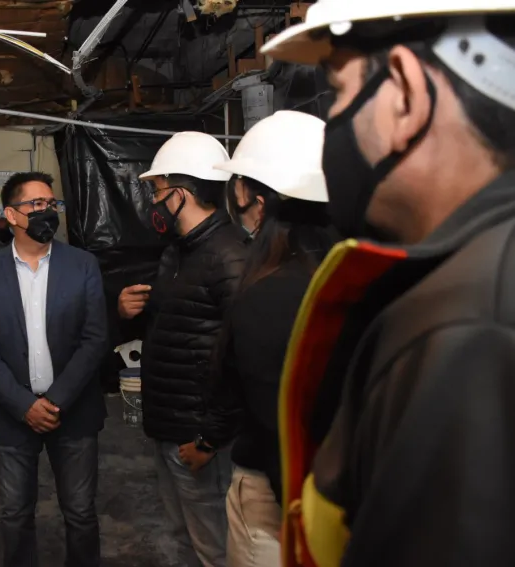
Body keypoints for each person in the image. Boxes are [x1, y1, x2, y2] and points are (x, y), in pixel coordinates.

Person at [260, 3, 515, 566]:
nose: (333, 124)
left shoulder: (470, 327)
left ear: (404, 95)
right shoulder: (470, 274)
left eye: (339, 93)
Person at [117, 132, 248, 567]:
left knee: (215, 547)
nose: (153, 203)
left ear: (180, 194)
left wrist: (209, 439)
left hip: (199, 439)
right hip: (170, 427)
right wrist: (129, 311)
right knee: (185, 537)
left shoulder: (229, 256)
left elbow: (242, 359)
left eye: (157, 191)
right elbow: (177, 329)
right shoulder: (177, 253)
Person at [211, 111, 336, 567]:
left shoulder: (265, 297)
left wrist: (302, 516)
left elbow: (275, 425)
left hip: (279, 503)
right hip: (348, 499)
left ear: (255, 201)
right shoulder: (353, 273)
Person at [0, 172, 108, 567]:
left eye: (51, 203)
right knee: (15, 515)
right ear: (12, 215)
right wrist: (24, 405)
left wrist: (57, 400)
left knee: (80, 512)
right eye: (36, 204)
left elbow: (94, 339)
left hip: (74, 411)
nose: (48, 210)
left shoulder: (82, 265)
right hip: (13, 415)